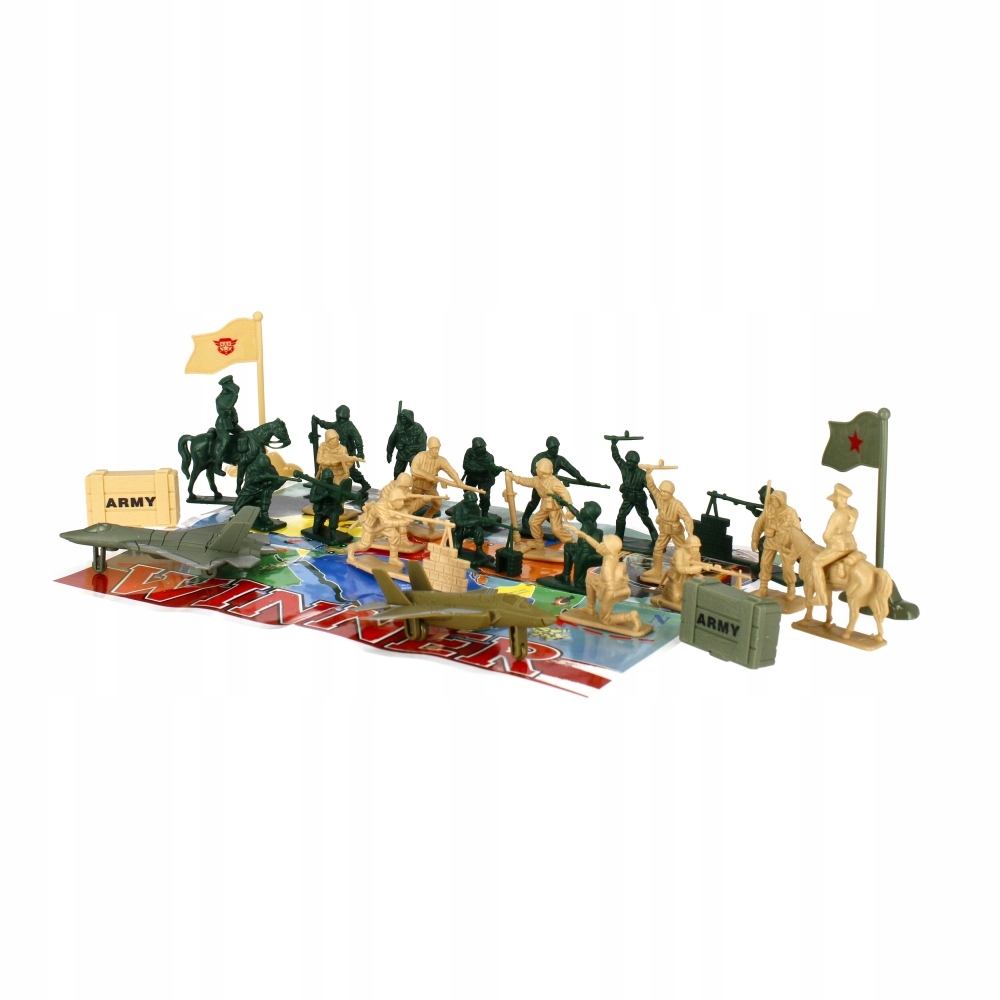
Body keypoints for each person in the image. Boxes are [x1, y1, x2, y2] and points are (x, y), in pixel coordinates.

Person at [564, 526, 643, 631]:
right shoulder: (612, 554)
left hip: (609, 590)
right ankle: (590, 607)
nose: (601, 544)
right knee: (589, 578)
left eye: (604, 544)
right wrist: (584, 536)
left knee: (604, 619)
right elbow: (596, 545)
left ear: (608, 548)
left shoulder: (607, 565)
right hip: (606, 583)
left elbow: (610, 585)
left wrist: (606, 599)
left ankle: (629, 616)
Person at [519, 437, 586, 535]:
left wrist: (579, 476)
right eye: (553, 448)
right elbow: (533, 471)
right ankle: (525, 518)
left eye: (557, 448)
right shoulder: (540, 457)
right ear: (548, 448)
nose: (555, 450)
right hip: (540, 484)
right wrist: (545, 477)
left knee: (556, 503)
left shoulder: (559, 459)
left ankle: (552, 520)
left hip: (553, 486)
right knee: (534, 502)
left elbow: (570, 468)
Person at [810, 483, 859, 607]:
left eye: (834, 500)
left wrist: (830, 544)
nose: (834, 503)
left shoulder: (837, 514)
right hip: (851, 545)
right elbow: (850, 528)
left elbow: (827, 535)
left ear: (838, 499)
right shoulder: (854, 511)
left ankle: (821, 597)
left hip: (839, 547)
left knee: (816, 563)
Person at [508, 459, 574, 544]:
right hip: (544, 507)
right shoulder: (536, 480)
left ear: (543, 471)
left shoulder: (554, 482)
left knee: (556, 529)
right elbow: (525, 481)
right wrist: (513, 477)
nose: (536, 470)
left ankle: (571, 543)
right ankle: (538, 542)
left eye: (537, 469)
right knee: (534, 523)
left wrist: (569, 509)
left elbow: (565, 494)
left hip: (554, 508)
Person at [750, 489, 801, 597]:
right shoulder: (768, 510)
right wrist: (755, 539)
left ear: (781, 500)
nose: (773, 502)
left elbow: (797, 530)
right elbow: (759, 525)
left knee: (787, 567)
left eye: (776, 500)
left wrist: (794, 545)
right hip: (770, 542)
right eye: (772, 500)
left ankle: (791, 589)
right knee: (764, 564)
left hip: (785, 543)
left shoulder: (790, 512)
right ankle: (763, 587)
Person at [645, 474, 693, 580]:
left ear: (671, 493)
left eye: (665, 492)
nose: (662, 493)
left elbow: (687, 518)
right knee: (658, 548)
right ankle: (656, 570)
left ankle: (684, 571)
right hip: (664, 528)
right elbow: (652, 487)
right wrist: (648, 474)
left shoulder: (678, 505)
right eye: (661, 491)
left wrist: (690, 532)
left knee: (682, 550)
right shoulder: (659, 498)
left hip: (676, 530)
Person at [610, 438, 658, 544]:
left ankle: (654, 533)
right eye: (627, 461)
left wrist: (656, 501)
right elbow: (616, 457)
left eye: (631, 462)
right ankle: (618, 536)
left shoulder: (642, 474)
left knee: (644, 517)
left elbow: (651, 488)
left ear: (636, 463)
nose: (628, 463)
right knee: (621, 516)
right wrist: (613, 445)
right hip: (628, 497)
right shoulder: (624, 467)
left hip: (639, 498)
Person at [311, 406, 370, 491]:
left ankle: (365, 484)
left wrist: (360, 451)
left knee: (351, 471)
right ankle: (331, 486)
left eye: (337, 414)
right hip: (336, 451)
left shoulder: (349, 427)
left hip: (348, 452)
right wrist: (318, 421)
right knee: (333, 469)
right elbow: (327, 425)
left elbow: (357, 438)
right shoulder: (336, 424)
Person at [407, 437, 467, 518]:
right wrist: (427, 476)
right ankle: (407, 518)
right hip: (417, 485)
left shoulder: (441, 460)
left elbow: (450, 470)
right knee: (413, 504)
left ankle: (427, 517)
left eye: (438, 448)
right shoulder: (420, 456)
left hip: (430, 487)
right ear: (429, 448)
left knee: (438, 503)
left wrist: (457, 480)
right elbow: (414, 469)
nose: (436, 451)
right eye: (434, 449)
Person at [462, 437, 504, 517]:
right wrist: (478, 470)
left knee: (485, 497)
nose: (481, 449)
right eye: (478, 448)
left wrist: (496, 470)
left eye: (482, 447)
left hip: (484, 479)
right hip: (472, 476)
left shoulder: (489, 457)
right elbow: (465, 465)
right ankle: (469, 509)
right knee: (468, 492)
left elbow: (492, 471)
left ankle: (484, 512)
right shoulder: (470, 452)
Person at [212, 375, 244, 475]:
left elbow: (232, 409)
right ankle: (217, 466)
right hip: (222, 424)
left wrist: (235, 417)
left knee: (243, 434)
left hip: (230, 422)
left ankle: (240, 456)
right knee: (225, 441)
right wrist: (235, 394)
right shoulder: (220, 399)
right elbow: (228, 406)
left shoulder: (229, 395)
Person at [386, 409, 427, 477]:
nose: (402, 419)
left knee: (416, 473)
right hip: (402, 453)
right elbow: (392, 440)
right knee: (397, 472)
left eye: (404, 418)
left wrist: (421, 456)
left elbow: (423, 441)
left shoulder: (418, 427)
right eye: (401, 418)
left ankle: (416, 483)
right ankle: (397, 483)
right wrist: (389, 452)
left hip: (413, 454)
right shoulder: (398, 427)